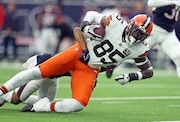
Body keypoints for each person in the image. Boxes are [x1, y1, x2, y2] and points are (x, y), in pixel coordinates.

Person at [0, 11, 153, 113]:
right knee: (21, 93)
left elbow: (148, 71)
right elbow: (85, 22)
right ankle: (2, 92)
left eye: (141, 35)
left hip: (88, 69)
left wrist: (130, 77)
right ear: (130, 25)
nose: (136, 37)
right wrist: (86, 25)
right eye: (136, 31)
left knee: (78, 104)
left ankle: (43, 106)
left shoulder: (139, 49)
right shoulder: (115, 22)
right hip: (75, 55)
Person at [0, 53, 70, 107]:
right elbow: (27, 75)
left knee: (45, 104)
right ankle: (3, 95)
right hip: (42, 65)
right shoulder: (78, 57)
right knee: (15, 99)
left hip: (53, 75)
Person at [144, 0, 180, 78]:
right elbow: (151, 3)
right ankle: (112, 65)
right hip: (154, 30)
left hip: (168, 34)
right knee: (136, 53)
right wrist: (172, 3)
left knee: (178, 57)